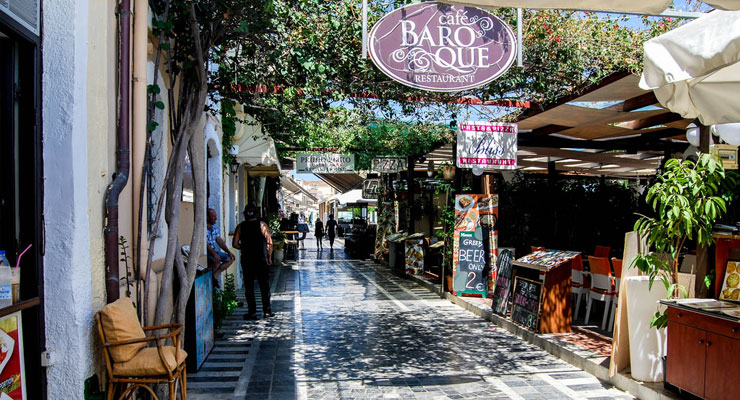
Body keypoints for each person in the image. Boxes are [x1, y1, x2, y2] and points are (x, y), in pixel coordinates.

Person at [232, 204, 274, 320]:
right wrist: (269, 257)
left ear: (245, 214)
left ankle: (252, 312)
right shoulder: (262, 225)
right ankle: (267, 311)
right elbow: (269, 243)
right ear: (257, 213)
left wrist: (245, 247)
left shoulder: (241, 227)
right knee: (264, 285)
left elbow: (235, 244)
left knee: (249, 286)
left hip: (247, 260)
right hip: (260, 259)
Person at [206, 208, 235, 282]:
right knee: (216, 260)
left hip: (213, 251)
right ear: (207, 217)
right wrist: (215, 254)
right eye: (213, 216)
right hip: (207, 253)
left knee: (230, 258)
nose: (216, 218)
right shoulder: (203, 228)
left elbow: (219, 240)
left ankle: (215, 276)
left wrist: (228, 251)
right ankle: (212, 280)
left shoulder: (213, 227)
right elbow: (206, 244)